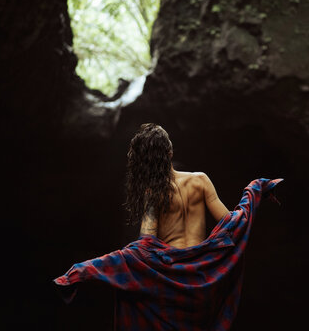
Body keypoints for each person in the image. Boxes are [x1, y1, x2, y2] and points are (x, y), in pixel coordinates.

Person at [53, 123, 282, 330]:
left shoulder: (153, 192)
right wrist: (255, 190)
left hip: (171, 286)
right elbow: (230, 224)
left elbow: (145, 245)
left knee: (130, 280)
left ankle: (76, 274)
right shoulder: (200, 180)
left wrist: (96, 268)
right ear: (170, 153)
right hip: (202, 282)